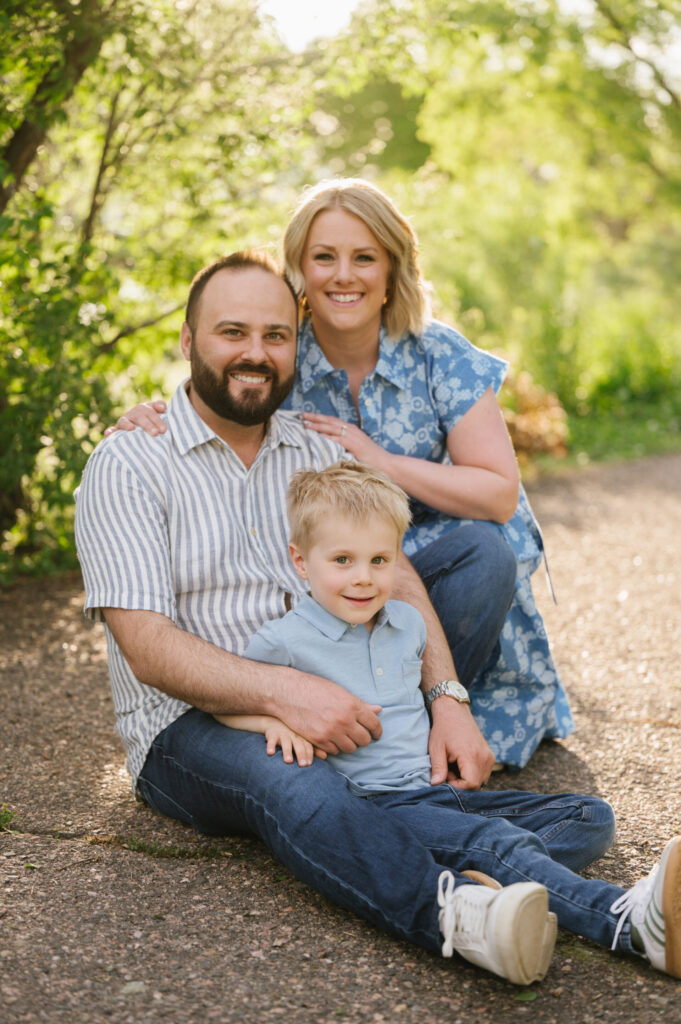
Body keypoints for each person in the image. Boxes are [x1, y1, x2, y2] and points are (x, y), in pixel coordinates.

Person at [76, 253, 681, 986]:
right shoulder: (130, 463)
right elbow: (145, 646)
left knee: (583, 819)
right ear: (186, 340)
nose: (254, 352)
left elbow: (394, 573)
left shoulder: (314, 447)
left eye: (274, 335)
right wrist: (282, 695)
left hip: (349, 698)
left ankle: (358, 834)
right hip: (197, 728)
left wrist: (446, 699)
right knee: (295, 785)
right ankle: (515, 917)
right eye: (230, 331)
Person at [109, 178, 573, 770]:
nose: (343, 275)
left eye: (364, 257)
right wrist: (151, 413)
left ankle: (422, 722)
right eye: (324, 257)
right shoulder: (281, 351)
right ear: (299, 268)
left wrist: (379, 461)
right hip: (337, 585)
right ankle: (353, 726)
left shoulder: (440, 355)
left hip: (437, 570)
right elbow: (221, 381)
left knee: (486, 554)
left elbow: (499, 494)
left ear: (391, 270)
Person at [212, 458, 681, 985]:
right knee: (498, 843)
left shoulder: (407, 623)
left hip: (436, 792)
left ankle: (463, 874)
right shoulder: (283, 640)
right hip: (379, 805)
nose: (363, 577)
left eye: (379, 559)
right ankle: (628, 924)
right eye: (341, 560)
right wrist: (267, 722)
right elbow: (228, 697)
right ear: (301, 560)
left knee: (590, 816)